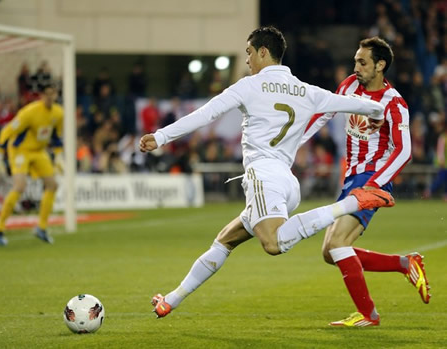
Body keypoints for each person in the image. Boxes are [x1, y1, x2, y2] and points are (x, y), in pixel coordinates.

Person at [139, 26, 395, 321]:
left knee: (273, 244)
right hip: (287, 184)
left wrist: (160, 137)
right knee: (225, 239)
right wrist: (378, 112)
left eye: (249, 52)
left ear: (263, 52)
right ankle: (170, 300)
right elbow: (360, 105)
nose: (247, 60)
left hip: (263, 176)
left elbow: (205, 114)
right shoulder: (307, 90)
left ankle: (351, 203)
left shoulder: (249, 86)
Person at [300, 37, 430, 327]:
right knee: (329, 253)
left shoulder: (394, 104)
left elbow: (403, 150)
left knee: (336, 244)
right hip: (351, 178)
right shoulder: (348, 85)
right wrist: (294, 143)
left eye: (362, 62)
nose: (355, 66)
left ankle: (368, 315)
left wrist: (375, 183)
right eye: (355, 61)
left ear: (380, 65)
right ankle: (404, 263)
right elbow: (326, 112)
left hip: (370, 179)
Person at [0, 84, 64, 246]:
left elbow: (56, 137)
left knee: (52, 185)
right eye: (47, 94)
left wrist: (59, 156)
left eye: (53, 94)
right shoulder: (29, 113)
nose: (50, 98)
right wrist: (0, 153)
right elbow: (7, 131)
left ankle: (41, 228)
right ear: (41, 96)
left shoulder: (58, 113)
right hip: (20, 150)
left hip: (39, 151)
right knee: (20, 186)